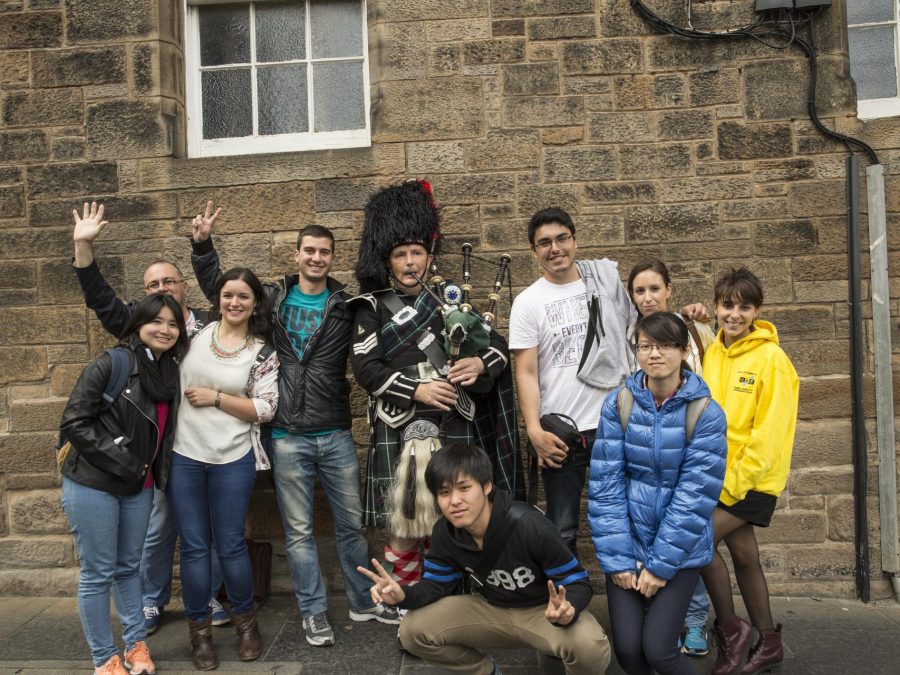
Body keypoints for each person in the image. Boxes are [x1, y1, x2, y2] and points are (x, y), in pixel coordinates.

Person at [190, 202, 400, 648]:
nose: (316, 258)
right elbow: (224, 290)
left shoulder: (348, 304)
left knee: (351, 526)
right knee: (300, 532)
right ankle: (313, 612)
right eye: (309, 250)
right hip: (286, 434)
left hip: (335, 431)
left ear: (332, 257)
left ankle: (364, 603)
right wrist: (203, 245)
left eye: (324, 252)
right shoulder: (274, 297)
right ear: (298, 253)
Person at [350, 180, 524, 585]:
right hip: (399, 423)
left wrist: (479, 364)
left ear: (429, 257)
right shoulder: (370, 308)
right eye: (400, 255)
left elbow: (496, 348)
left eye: (417, 253)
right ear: (388, 261)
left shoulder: (452, 301)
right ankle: (409, 598)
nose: (410, 262)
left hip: (453, 423)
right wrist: (417, 388)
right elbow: (366, 369)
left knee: (457, 514)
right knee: (403, 520)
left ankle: (453, 593)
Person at [71, 201, 228, 633]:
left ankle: (210, 596)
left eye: (168, 281)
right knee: (157, 531)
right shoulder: (141, 326)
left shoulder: (212, 325)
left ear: (182, 286)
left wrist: (202, 245)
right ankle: (151, 601)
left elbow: (228, 293)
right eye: (152, 284)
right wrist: (84, 248)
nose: (162, 288)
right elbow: (99, 298)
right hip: (157, 450)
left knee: (208, 530)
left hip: (207, 444)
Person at [358, 443, 610, 675]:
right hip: (490, 609)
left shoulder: (530, 527)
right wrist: (402, 595)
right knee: (411, 630)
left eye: (464, 488)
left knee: (590, 645)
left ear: (487, 486)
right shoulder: (445, 532)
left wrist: (568, 609)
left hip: (542, 613)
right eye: (444, 492)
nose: (454, 501)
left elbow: (578, 582)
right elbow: (436, 585)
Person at [589, 311, 727, 674]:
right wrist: (619, 559)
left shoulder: (706, 413)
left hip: (679, 553)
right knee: (629, 650)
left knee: (658, 649)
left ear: (683, 351)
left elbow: (695, 498)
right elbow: (605, 485)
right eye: (646, 346)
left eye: (665, 345)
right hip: (628, 543)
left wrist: (659, 566)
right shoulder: (620, 404)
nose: (654, 354)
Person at [59, 293, 189, 675]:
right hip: (94, 482)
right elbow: (74, 422)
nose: (165, 330)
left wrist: (145, 473)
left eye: (173, 323)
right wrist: (127, 462)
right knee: (98, 572)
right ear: (138, 325)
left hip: (139, 485)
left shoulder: (170, 371)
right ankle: (104, 658)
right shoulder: (113, 363)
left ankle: (136, 647)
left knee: (130, 569)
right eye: (157, 321)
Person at [167, 267, 279, 670]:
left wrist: (216, 397)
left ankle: (246, 624)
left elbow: (266, 409)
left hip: (233, 458)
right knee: (195, 547)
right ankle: (200, 635)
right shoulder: (193, 333)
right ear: (218, 299)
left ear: (254, 304)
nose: (234, 303)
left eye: (243, 297)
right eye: (228, 295)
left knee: (230, 545)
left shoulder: (261, 352)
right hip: (186, 456)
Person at [508, 207, 638, 556]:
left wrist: (687, 318)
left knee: (627, 521)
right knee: (561, 529)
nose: (555, 248)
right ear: (534, 251)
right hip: (561, 433)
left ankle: (637, 605)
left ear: (575, 241)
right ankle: (568, 605)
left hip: (615, 425)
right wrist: (534, 430)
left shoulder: (605, 284)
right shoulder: (527, 302)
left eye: (562, 238)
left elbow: (639, 332)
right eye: (544, 242)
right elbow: (526, 371)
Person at [700, 268, 799, 675]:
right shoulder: (713, 352)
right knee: (743, 555)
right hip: (718, 475)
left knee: (695, 541)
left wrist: (730, 484)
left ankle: (730, 629)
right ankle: (768, 640)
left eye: (745, 306)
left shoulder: (772, 360)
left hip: (752, 479)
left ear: (757, 310)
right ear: (717, 306)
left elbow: (769, 435)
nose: (734, 314)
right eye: (727, 305)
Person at [627, 259, 715, 656]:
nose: (648, 297)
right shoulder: (631, 335)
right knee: (651, 539)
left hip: (691, 445)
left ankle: (695, 621)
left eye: (654, 288)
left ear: (669, 289)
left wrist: (699, 318)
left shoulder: (693, 330)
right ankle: (658, 618)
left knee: (689, 542)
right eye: (639, 291)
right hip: (649, 450)